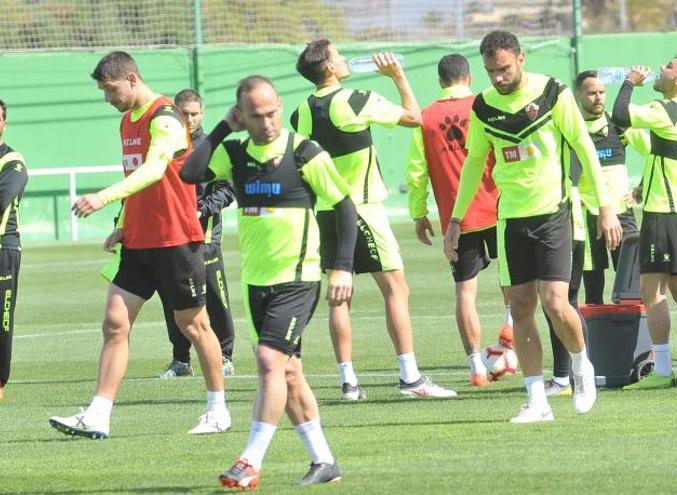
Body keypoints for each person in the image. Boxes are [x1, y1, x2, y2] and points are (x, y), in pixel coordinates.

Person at [443, 30, 622, 423]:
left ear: (521, 58)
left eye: (504, 69)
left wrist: (605, 206)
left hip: (555, 213)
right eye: (491, 71)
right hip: (510, 219)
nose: (498, 78)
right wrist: (456, 219)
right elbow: (475, 162)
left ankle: (581, 365)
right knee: (521, 306)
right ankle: (537, 400)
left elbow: (583, 147)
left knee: (557, 304)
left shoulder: (553, 92)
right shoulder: (483, 107)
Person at [49, 51, 230, 438]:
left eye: (111, 89)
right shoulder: (126, 122)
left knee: (193, 325)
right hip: (139, 241)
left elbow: (154, 169)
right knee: (115, 323)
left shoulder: (164, 115)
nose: (108, 98)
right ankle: (98, 414)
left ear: (131, 78)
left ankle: (218, 410)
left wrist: (104, 198)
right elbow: (137, 180)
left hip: (176, 239)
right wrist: (123, 224)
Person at [181, 75, 350, 488]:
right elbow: (190, 171)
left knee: (269, 363)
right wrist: (222, 127)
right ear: (243, 116)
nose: (269, 122)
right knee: (288, 373)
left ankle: (250, 459)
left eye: (273, 112)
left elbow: (344, 204)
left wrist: (341, 266)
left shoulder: (304, 151)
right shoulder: (235, 154)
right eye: (257, 116)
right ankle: (324, 461)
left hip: (298, 277)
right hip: (255, 283)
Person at [293, 39, 456, 400]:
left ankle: (348, 383)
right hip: (363, 209)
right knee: (396, 290)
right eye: (338, 56)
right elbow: (415, 119)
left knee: (339, 297)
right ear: (330, 68)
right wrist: (398, 77)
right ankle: (410, 379)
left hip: (325, 212)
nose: (345, 59)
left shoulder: (301, 111)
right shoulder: (356, 99)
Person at [406, 53, 512, 387]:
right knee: (515, 281)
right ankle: (507, 342)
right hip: (497, 207)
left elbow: (416, 172)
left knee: (465, 292)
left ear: (440, 82)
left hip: (456, 217)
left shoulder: (424, 118)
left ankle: (476, 367)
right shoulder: (485, 105)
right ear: (469, 77)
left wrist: (418, 212)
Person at [611, 50, 677, 390]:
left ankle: (664, 370)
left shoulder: (665, 109)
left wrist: (629, 82)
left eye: (668, 66)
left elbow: (621, 114)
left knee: (650, 292)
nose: (661, 68)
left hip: (663, 214)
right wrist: (651, 185)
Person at [544, 69, 648, 396]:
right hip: (586, 219)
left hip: (622, 216)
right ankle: (591, 364)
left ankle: (640, 357)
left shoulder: (618, 127)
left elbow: (657, 151)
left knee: (636, 287)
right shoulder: (569, 131)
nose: (599, 98)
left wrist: (642, 188)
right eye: (591, 93)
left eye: (602, 92)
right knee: (590, 294)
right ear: (578, 96)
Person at [155, 89, 237, 378]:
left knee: (215, 297)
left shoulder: (211, 146)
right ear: (175, 112)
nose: (189, 119)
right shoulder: (165, 144)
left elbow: (227, 188)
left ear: (202, 114)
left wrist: (202, 209)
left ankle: (225, 355)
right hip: (170, 238)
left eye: (194, 113)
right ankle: (180, 360)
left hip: (204, 238)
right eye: (184, 113)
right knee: (173, 299)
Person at [0, 98, 28, 401]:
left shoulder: (12, 161)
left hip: (3, 251)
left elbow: (1, 200)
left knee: (1, 318)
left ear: (4, 123)